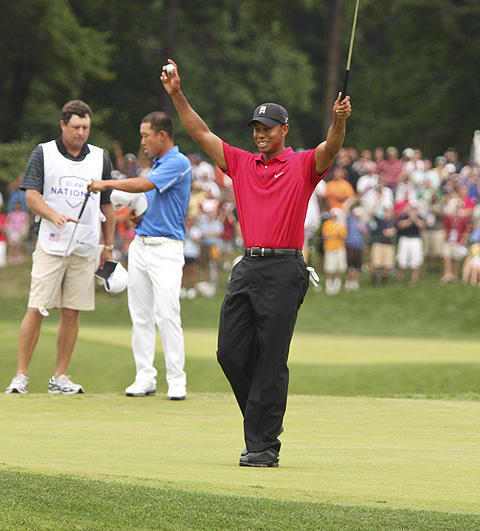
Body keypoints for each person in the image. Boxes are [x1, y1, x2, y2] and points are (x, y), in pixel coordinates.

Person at [161, 59, 351, 467]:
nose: (260, 134)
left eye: (268, 128)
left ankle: (264, 445)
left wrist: (338, 122)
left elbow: (330, 148)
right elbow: (200, 131)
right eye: (256, 129)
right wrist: (177, 94)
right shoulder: (242, 164)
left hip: (285, 269)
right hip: (248, 266)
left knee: (270, 359)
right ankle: (260, 420)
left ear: (285, 131)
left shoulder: (302, 165)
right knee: (229, 352)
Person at [5, 100, 115, 395]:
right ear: (63, 125)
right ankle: (21, 376)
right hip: (51, 244)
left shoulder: (100, 158)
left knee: (72, 311)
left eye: (86, 128)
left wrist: (109, 245)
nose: (81, 133)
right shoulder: (44, 152)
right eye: (76, 127)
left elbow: (107, 205)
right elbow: (31, 195)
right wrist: (53, 216)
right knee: (37, 308)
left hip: (86, 246)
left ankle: (59, 377)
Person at [89, 111, 191, 400]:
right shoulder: (157, 165)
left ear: (162, 135)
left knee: (167, 314)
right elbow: (148, 200)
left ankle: (176, 380)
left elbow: (144, 186)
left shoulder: (178, 162)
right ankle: (144, 377)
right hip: (142, 246)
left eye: (146, 135)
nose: (142, 141)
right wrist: (138, 217)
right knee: (141, 316)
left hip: (167, 249)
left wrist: (107, 184)